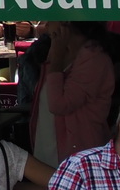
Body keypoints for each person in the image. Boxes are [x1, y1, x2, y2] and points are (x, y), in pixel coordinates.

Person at [29, 20, 115, 165]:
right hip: (48, 148)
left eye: (50, 19)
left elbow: (59, 105)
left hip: (78, 156)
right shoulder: (60, 51)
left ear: (66, 23)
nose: (47, 25)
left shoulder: (93, 59)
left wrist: (56, 57)